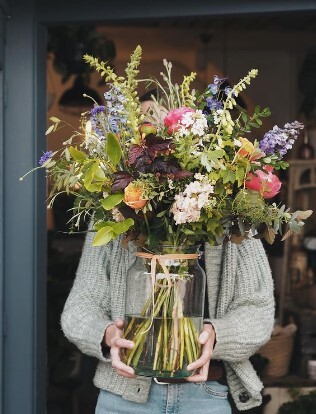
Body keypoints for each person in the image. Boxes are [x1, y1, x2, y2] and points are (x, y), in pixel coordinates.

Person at [61, 230, 275, 413]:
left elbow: (258, 313)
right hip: (124, 400)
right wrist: (109, 335)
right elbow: (79, 309)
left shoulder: (236, 207)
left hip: (205, 399)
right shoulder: (115, 205)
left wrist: (217, 335)